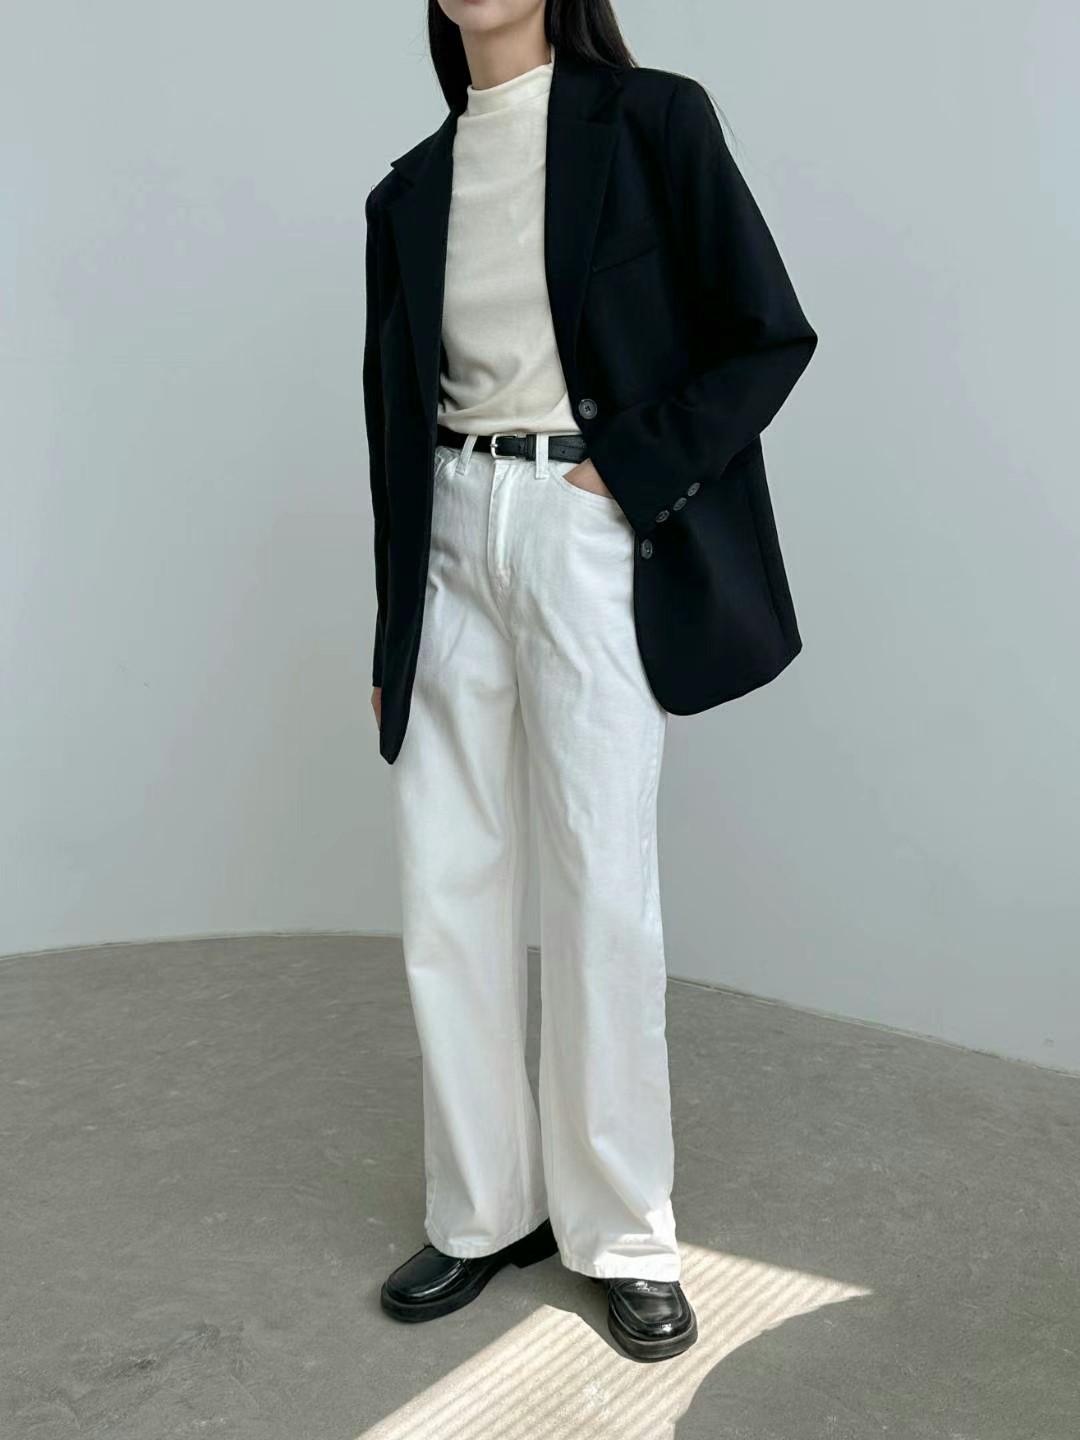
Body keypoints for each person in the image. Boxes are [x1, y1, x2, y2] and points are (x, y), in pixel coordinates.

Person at [364, 0, 816, 1363]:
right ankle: (481, 1210)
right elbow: (391, 420)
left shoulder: (653, 119)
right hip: (451, 532)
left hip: (581, 523)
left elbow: (767, 332)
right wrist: (391, 633)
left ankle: (623, 1232)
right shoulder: (410, 188)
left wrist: (627, 470)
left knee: (600, 885)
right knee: (447, 888)